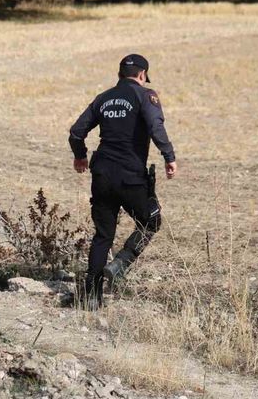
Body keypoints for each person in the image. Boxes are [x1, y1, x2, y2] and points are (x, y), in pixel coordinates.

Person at [69, 54, 177, 310]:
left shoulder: (103, 98)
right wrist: (169, 156)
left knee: (103, 235)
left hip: (102, 174)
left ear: (119, 75)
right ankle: (121, 263)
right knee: (151, 221)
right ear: (142, 75)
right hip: (130, 176)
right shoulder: (145, 95)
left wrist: (80, 156)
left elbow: (76, 132)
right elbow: (155, 127)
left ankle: (91, 297)